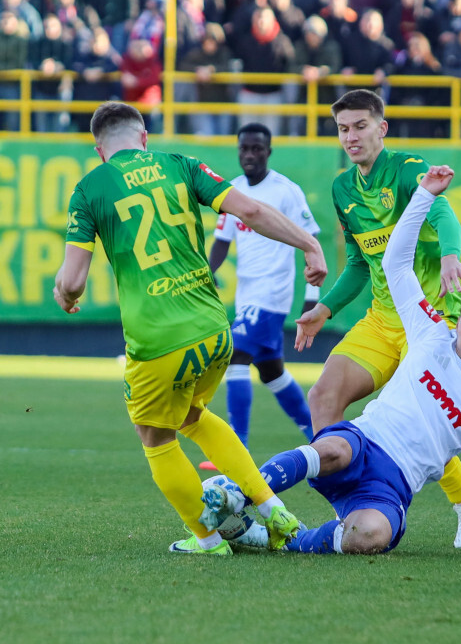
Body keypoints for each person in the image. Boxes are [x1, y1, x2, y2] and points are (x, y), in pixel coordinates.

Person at [202, 166, 461, 559]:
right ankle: (237, 494)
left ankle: (285, 539)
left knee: (371, 536)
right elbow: (394, 265)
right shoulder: (431, 333)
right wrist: (423, 195)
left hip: (392, 486)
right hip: (364, 444)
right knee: (332, 447)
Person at [53, 102, 327, 555]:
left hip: (158, 340)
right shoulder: (180, 165)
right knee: (192, 417)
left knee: (155, 437)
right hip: (215, 330)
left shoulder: (89, 189)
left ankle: (208, 539)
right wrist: (310, 245)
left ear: (100, 149)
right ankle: (275, 510)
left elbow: (74, 279)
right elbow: (253, 214)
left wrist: (65, 294)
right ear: (143, 137)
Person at [292, 89, 461, 548]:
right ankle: (348, 494)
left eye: (360, 126)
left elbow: (442, 211)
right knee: (322, 397)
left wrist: (450, 256)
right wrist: (324, 309)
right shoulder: (343, 189)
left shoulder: (406, 170)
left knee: (424, 420)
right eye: (343, 129)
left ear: (382, 127)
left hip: (429, 319)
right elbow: (361, 263)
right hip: (382, 319)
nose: (351, 136)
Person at [200, 123, 321, 468]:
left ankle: (237, 448)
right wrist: (209, 272)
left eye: (257, 149)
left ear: (269, 152)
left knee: (234, 355)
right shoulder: (234, 191)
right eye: (244, 149)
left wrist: (312, 296)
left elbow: (311, 245)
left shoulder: (286, 192)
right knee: (272, 372)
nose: (250, 155)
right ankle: (319, 434)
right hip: (247, 294)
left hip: (273, 293)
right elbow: (223, 240)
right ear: (237, 151)